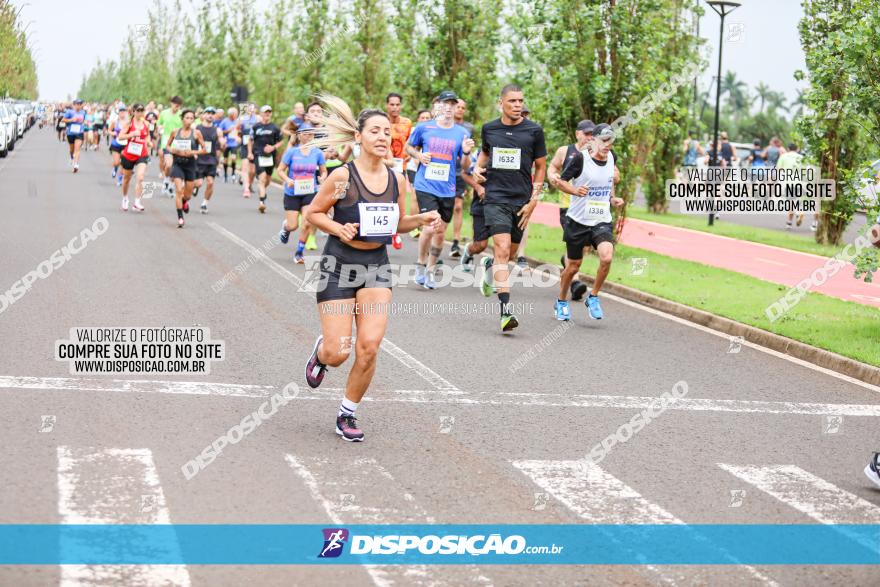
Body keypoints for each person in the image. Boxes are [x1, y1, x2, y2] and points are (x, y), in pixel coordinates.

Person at [302, 94, 441, 442]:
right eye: (375, 131)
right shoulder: (342, 177)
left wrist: (421, 219)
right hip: (338, 263)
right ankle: (322, 352)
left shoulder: (397, 180)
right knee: (339, 352)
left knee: (369, 345)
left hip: (375, 265)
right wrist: (338, 227)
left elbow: (396, 224)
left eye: (386, 131)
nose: (382, 136)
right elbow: (314, 213)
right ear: (358, 137)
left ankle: (347, 413)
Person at [472, 84, 547, 332]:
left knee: (510, 255)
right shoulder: (490, 128)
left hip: (522, 200)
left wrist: (534, 200)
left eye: (520, 101)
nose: (518, 105)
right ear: (501, 103)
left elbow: (540, 167)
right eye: (513, 101)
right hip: (495, 197)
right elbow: (484, 154)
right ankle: (506, 312)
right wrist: (476, 169)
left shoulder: (534, 131)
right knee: (502, 249)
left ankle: (489, 267)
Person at [405, 90, 475, 289]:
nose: (449, 108)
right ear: (439, 106)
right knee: (430, 225)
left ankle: (430, 269)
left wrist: (467, 152)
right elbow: (408, 148)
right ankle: (420, 262)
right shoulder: (424, 127)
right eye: (446, 103)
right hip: (425, 184)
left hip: (447, 188)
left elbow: (465, 166)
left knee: (441, 231)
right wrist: (418, 157)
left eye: (453, 104)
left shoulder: (462, 133)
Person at [553, 124, 623, 321]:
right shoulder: (580, 159)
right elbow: (561, 181)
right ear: (593, 140)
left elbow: (609, 180)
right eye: (604, 140)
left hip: (601, 218)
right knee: (573, 266)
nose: (608, 145)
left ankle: (593, 297)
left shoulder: (611, 157)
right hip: (578, 220)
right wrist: (575, 191)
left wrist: (612, 198)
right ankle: (561, 300)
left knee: (607, 257)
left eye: (611, 141)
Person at [546, 119, 594, 302]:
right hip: (569, 207)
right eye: (586, 133)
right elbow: (553, 167)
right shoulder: (565, 151)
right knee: (576, 243)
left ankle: (566, 260)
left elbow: (614, 172)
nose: (589, 137)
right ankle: (575, 281)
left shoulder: (597, 153)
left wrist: (615, 176)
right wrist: (553, 176)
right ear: (577, 134)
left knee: (585, 247)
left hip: (589, 208)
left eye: (592, 134)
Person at [278, 123, 328, 263]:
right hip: (292, 192)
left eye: (310, 133)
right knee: (293, 225)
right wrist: (288, 179)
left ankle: (299, 253)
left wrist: (322, 177)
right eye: (305, 133)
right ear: (299, 135)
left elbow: (323, 171)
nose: (308, 135)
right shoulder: (292, 152)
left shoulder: (317, 152)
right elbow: (280, 170)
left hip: (309, 191)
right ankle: (286, 228)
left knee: (307, 223)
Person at [167, 109, 206, 227]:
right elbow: (167, 146)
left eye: (191, 118)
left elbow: (204, 150)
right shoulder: (175, 132)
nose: (189, 120)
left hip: (190, 165)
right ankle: (180, 218)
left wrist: (193, 152)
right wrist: (172, 150)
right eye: (187, 118)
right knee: (179, 190)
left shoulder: (196, 133)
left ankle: (184, 202)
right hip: (178, 163)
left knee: (187, 195)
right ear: (182, 119)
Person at [386, 93, 413, 250]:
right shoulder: (382, 122)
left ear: (401, 106)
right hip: (383, 165)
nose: (395, 107)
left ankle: (395, 232)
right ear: (387, 106)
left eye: (397, 104)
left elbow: (411, 143)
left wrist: (409, 153)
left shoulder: (407, 123)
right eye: (392, 104)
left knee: (396, 199)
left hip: (400, 167)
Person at [451, 98, 476, 258]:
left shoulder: (468, 128)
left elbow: (471, 149)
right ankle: (434, 238)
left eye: (462, 107)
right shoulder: (445, 125)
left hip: (460, 171)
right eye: (457, 106)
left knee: (458, 206)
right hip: (444, 170)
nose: (459, 109)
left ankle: (455, 241)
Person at [247, 105, 284, 214]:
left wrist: (273, 147)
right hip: (258, 154)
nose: (267, 114)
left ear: (271, 114)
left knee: (267, 180)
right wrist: (250, 153)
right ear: (261, 114)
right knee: (262, 178)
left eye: (269, 112)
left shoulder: (275, 128)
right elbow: (250, 140)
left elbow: (281, 141)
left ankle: (262, 191)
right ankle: (262, 202)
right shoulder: (255, 127)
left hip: (270, 157)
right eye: (265, 112)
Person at [117, 104, 152, 213]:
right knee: (126, 179)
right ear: (133, 111)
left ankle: (137, 202)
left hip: (142, 153)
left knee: (140, 177)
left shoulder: (146, 123)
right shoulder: (129, 123)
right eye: (138, 110)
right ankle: (125, 198)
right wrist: (131, 134)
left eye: (142, 110)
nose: (140, 113)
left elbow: (147, 136)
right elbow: (120, 136)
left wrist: (149, 142)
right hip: (129, 153)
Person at [406, 109, 433, 239]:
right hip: (414, 167)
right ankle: (413, 227)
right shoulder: (415, 130)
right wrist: (417, 159)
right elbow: (408, 148)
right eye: (422, 117)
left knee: (425, 197)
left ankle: (423, 224)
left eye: (428, 117)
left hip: (429, 169)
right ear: (418, 119)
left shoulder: (435, 131)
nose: (425, 119)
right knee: (415, 197)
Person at [194, 107, 221, 214]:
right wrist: (193, 153)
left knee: (210, 183)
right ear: (203, 115)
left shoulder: (217, 130)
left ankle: (204, 204)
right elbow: (192, 142)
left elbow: (219, 147)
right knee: (199, 183)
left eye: (212, 113)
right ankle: (194, 188)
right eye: (208, 113)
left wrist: (219, 161)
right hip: (199, 159)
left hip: (211, 160)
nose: (210, 115)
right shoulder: (197, 128)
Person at [158, 96, 184, 195]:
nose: (176, 107)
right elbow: (158, 124)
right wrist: (159, 127)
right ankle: (166, 180)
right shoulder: (164, 113)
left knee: (176, 167)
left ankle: (171, 186)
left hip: (179, 143)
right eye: (174, 105)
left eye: (178, 106)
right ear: (171, 103)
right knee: (168, 165)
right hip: (166, 142)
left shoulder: (182, 115)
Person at [239, 103, 259, 197]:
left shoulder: (258, 119)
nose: (251, 110)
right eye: (249, 108)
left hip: (255, 146)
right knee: (245, 168)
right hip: (244, 145)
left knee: (253, 171)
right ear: (246, 109)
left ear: (255, 110)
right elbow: (236, 130)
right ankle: (246, 189)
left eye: (253, 108)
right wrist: (237, 137)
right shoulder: (242, 119)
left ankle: (249, 184)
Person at [62, 99, 87, 173]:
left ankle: (76, 164)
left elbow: (84, 120)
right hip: (70, 133)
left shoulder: (83, 112)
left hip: (79, 132)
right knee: (72, 150)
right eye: (77, 104)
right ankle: (72, 157)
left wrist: (85, 122)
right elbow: (63, 120)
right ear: (74, 105)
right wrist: (71, 120)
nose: (78, 105)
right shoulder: (69, 112)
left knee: (77, 149)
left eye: (80, 104)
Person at [108, 105, 129, 186]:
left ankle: (120, 179)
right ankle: (115, 168)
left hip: (125, 144)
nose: (122, 113)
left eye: (124, 111)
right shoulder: (115, 122)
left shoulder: (129, 123)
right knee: (117, 162)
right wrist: (112, 133)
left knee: (123, 163)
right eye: (121, 111)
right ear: (118, 113)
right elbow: (109, 130)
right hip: (116, 144)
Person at [218, 106, 240, 183]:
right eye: (235, 114)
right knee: (225, 160)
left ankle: (233, 174)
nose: (236, 115)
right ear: (231, 114)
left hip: (234, 143)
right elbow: (220, 132)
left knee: (233, 158)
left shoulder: (237, 121)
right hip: (226, 143)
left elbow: (240, 131)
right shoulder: (224, 121)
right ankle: (225, 175)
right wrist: (228, 131)